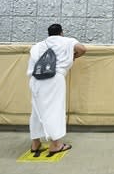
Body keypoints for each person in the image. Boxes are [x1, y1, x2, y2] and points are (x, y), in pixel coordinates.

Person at [27, 24, 86, 157]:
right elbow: (82, 49)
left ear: (48, 34)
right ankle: (56, 145)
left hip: (35, 80)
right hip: (54, 79)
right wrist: (73, 57)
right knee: (55, 110)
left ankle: (35, 143)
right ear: (61, 33)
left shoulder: (38, 46)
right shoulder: (67, 41)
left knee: (36, 111)